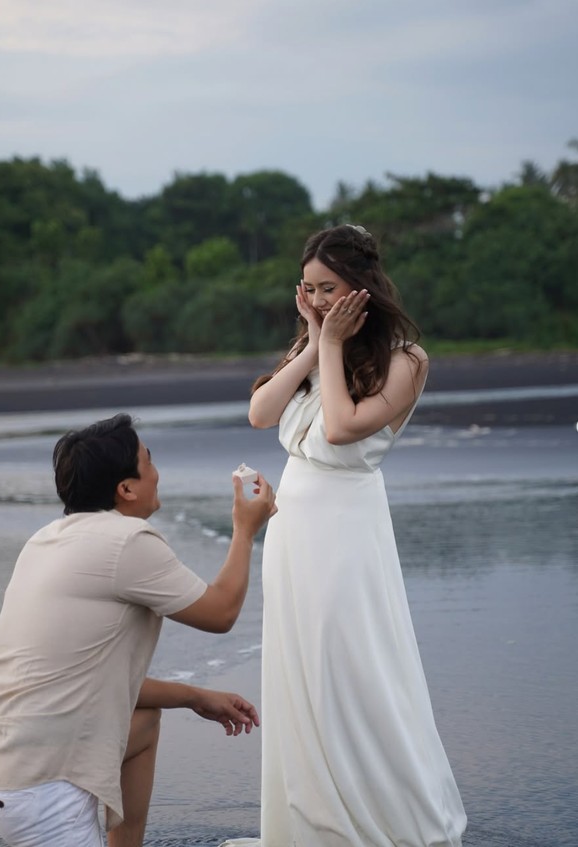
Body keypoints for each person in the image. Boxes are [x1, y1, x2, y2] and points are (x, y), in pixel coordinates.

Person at [222, 225, 466, 847]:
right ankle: (309, 821)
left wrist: (330, 344)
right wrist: (313, 340)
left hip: (347, 532)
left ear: (361, 286)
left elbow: (338, 427)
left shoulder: (407, 359)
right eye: (308, 288)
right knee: (300, 671)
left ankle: (384, 815)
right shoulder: (314, 344)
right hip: (293, 529)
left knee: (354, 671)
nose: (317, 299)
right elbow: (259, 413)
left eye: (328, 288)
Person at [0, 413, 276, 847]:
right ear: (126, 489)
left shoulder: (45, 540)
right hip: (40, 790)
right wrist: (244, 529)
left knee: (143, 722)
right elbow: (221, 613)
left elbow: (83, 680)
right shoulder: (128, 541)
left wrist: (196, 697)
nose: (157, 472)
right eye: (149, 461)